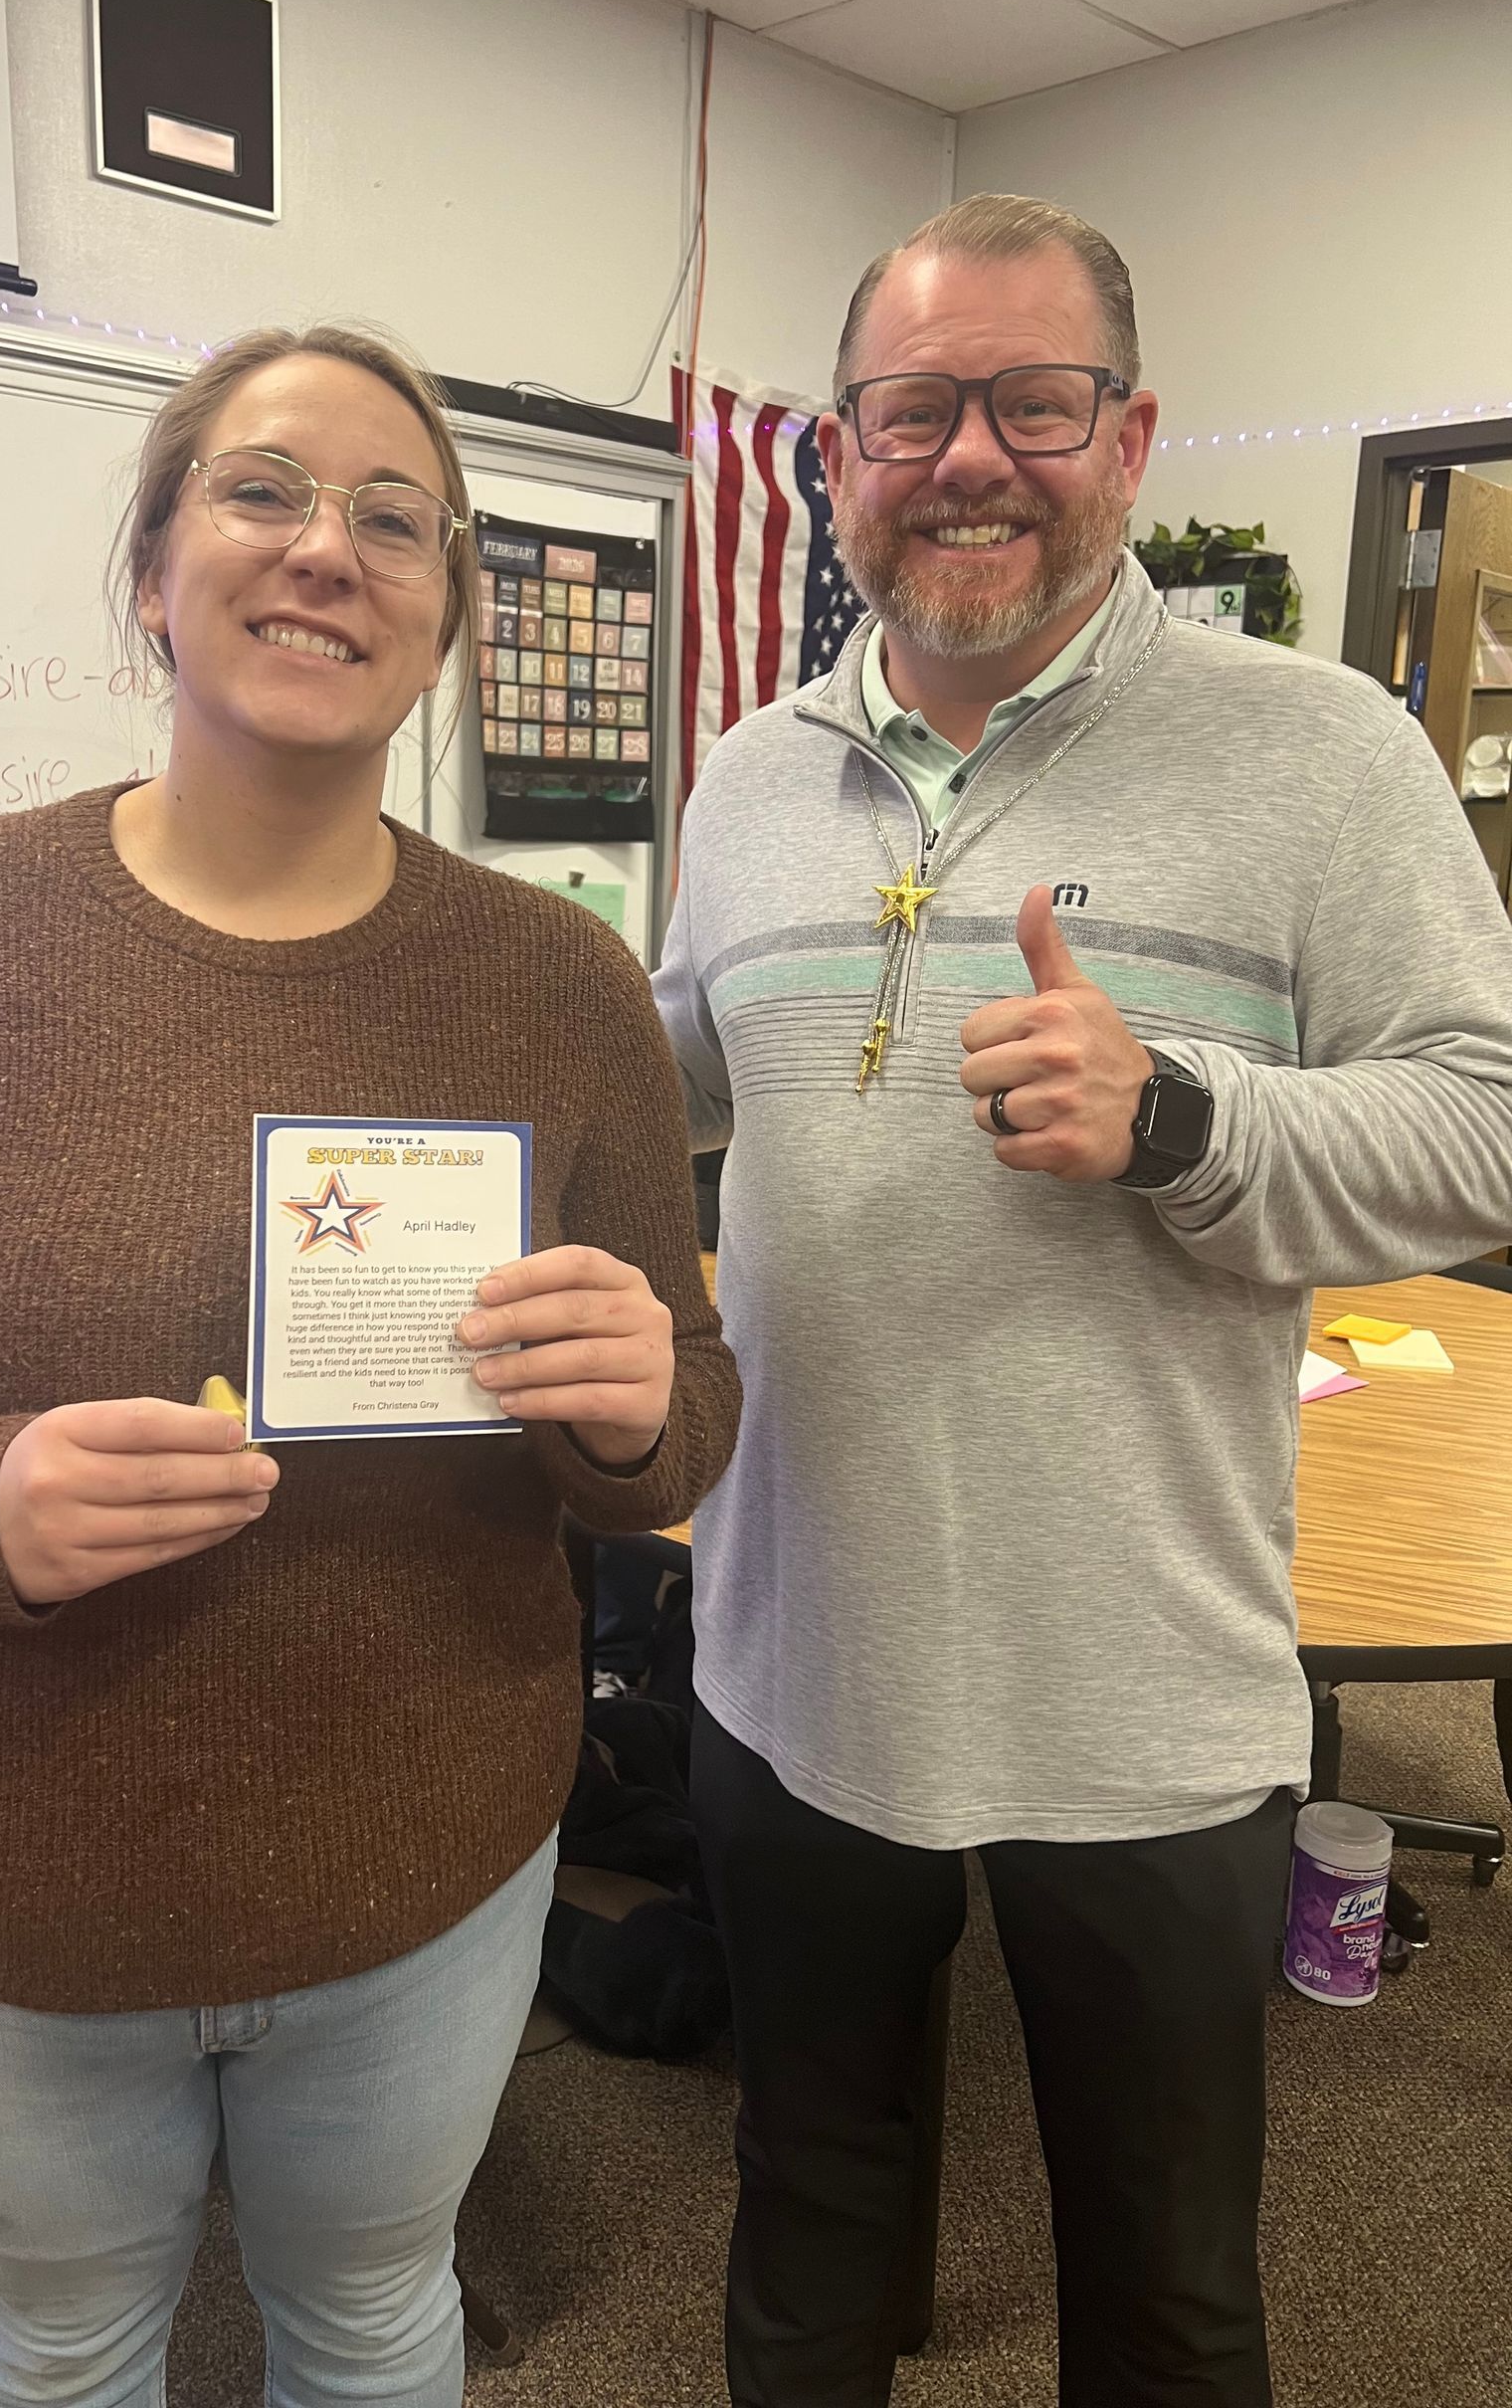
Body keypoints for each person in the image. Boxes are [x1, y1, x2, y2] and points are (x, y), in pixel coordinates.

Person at [0, 320, 740, 2408]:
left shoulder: (561, 983)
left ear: (445, 620)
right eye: (263, 491)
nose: (329, 548)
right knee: (58, 2342)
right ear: (153, 568)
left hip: (423, 1863)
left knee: (376, 2315)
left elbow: (680, 1403)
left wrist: (634, 1412)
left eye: (396, 519)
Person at [653, 193, 1512, 2405]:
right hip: (790, 1649)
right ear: (837, 455)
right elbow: (675, 1067)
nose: (968, 456)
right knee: (810, 2221)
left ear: (1127, 439)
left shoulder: (1323, 751)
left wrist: (1182, 1116)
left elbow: (1487, 1126)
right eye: (911, 408)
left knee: (1166, 2284)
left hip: (1141, 1689)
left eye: (1034, 402)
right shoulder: (750, 774)